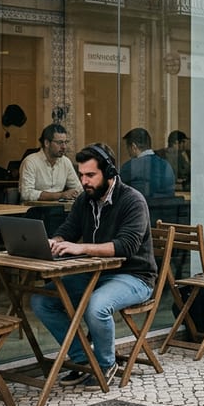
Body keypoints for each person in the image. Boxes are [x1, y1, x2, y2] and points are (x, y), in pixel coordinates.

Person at [30, 144, 156, 389]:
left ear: (109, 173)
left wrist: (82, 247)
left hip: (134, 277)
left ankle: (106, 365)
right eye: (81, 175)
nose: (84, 181)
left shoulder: (133, 201)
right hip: (96, 273)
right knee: (42, 301)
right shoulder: (85, 200)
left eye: (90, 175)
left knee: (96, 306)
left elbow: (126, 246)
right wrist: (55, 242)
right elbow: (68, 230)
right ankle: (83, 360)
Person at [19, 123, 81, 202]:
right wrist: (60, 195)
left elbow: (78, 189)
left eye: (65, 142)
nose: (64, 147)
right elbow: (26, 194)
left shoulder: (65, 161)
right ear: (47, 143)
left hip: (60, 210)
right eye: (59, 143)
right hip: (35, 210)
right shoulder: (30, 162)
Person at [120, 128, 176, 199]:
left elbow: (117, 194)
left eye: (128, 148)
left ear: (134, 147)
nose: (128, 152)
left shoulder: (130, 167)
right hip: (168, 210)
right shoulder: (167, 166)